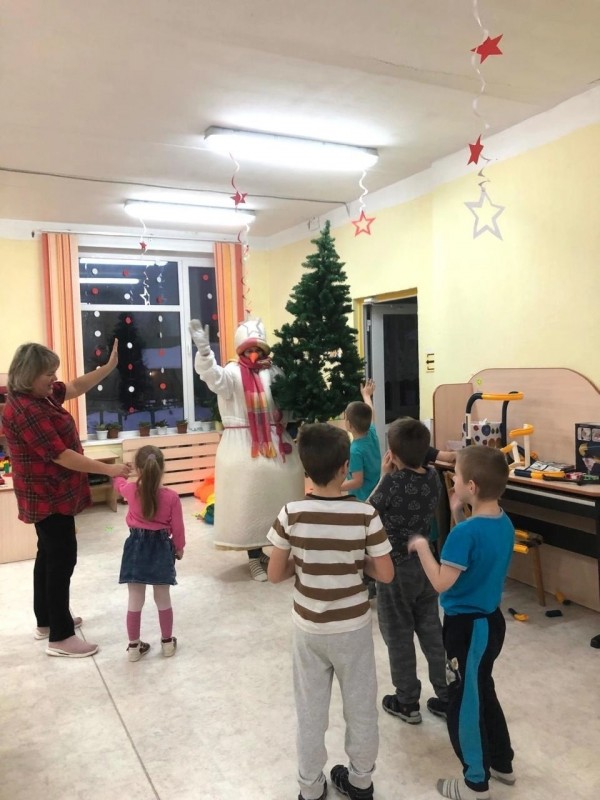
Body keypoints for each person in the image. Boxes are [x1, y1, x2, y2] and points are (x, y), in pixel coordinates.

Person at [267, 423, 394, 800]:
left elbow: (274, 573)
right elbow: (386, 573)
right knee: (361, 707)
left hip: (309, 628)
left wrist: (304, 563)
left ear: (306, 469)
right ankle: (361, 781)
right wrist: (355, 563)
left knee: (310, 711)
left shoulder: (291, 513)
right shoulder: (365, 514)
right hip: (352, 629)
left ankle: (310, 787)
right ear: (344, 467)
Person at [2, 340, 131, 658]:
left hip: (50, 493)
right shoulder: (26, 410)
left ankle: (47, 621)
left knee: (48, 555)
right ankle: (60, 637)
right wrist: (109, 469)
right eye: (48, 373)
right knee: (61, 559)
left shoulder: (40, 396)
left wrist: (107, 368)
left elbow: (74, 386)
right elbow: (61, 455)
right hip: (46, 496)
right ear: (29, 374)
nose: (54, 378)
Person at [408, 446, 515, 800]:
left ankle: (474, 783)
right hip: (491, 622)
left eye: (456, 476)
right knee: (483, 688)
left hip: (467, 629)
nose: (452, 480)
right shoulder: (503, 522)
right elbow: (473, 556)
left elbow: (442, 581)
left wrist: (422, 547)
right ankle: (501, 762)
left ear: (471, 486)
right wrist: (457, 512)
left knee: (464, 700)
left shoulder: (465, 535)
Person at [190, 318, 305, 582]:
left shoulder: (274, 372)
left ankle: (274, 552)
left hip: (276, 444)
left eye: (258, 350)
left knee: (280, 499)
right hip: (244, 447)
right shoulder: (231, 373)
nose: (254, 355)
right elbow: (213, 378)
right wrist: (205, 354)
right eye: (248, 350)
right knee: (250, 502)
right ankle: (253, 556)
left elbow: (286, 403)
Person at [369, 417, 449, 724]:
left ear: (392, 454)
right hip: (426, 565)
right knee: (431, 629)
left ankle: (407, 702)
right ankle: (447, 695)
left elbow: (366, 513)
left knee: (399, 635)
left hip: (394, 570)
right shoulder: (433, 477)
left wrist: (383, 477)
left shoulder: (391, 483)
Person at [113, 445, 185, 661]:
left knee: (135, 598)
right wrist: (179, 548)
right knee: (163, 597)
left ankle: (134, 648)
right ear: (162, 468)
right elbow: (178, 528)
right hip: (161, 548)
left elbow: (118, 484)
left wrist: (120, 472)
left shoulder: (130, 490)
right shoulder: (172, 497)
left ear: (138, 469)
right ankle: (167, 643)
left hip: (135, 547)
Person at [341, 379, 381, 501]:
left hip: (363, 498)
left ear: (349, 425)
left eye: (345, 418)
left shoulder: (355, 450)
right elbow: (370, 411)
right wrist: (366, 395)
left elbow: (357, 482)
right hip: (375, 491)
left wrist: (337, 487)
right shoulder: (371, 431)